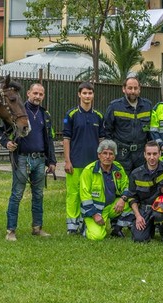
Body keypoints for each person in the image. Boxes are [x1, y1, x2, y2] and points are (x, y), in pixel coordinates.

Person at [0, 83, 56, 241]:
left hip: (40, 159)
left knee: (38, 195)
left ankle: (37, 228)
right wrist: (6, 143)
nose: (37, 96)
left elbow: (49, 139)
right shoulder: (19, 111)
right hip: (22, 158)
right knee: (16, 195)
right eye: (35, 93)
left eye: (40, 94)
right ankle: (11, 231)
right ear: (28, 93)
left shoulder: (45, 114)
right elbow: (0, 132)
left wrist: (52, 161)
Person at [63, 82, 105, 235]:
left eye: (90, 93)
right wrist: (67, 161)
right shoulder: (71, 115)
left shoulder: (99, 116)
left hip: (93, 164)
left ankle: (85, 223)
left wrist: (102, 161)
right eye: (85, 93)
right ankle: (72, 226)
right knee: (73, 194)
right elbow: (66, 139)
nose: (87, 96)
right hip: (75, 162)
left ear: (93, 95)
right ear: (79, 94)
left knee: (90, 195)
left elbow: (102, 141)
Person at [79, 140, 132, 240]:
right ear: (99, 155)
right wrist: (94, 215)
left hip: (111, 206)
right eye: (104, 153)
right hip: (95, 210)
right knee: (97, 237)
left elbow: (126, 186)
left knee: (132, 203)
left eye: (111, 154)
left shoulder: (118, 168)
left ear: (114, 156)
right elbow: (85, 197)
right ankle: (84, 226)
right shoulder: (88, 171)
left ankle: (117, 228)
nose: (107, 157)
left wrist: (122, 199)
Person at [104, 77, 152, 175]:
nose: (133, 91)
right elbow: (107, 131)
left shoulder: (147, 106)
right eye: (130, 88)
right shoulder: (114, 106)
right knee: (121, 184)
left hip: (141, 154)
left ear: (139, 89)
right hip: (122, 154)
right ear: (124, 89)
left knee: (141, 183)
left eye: (135, 88)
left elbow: (150, 132)